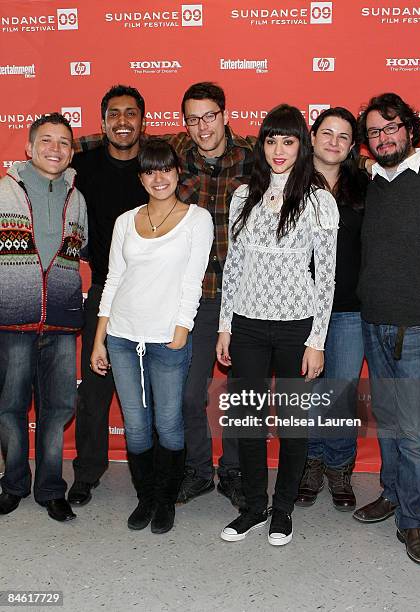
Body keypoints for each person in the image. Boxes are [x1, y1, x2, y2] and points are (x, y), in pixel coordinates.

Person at [74, 82, 255, 509]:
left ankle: (233, 471)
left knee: (241, 388)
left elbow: (291, 158)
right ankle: (195, 470)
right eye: (192, 118)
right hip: (187, 297)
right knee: (189, 396)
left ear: (225, 115)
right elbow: (118, 138)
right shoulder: (173, 149)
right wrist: (62, 146)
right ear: (184, 122)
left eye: (210, 116)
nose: (202, 126)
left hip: (240, 293)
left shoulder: (251, 156)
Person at [216, 104, 339, 545]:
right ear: (262, 145)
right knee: (246, 421)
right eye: (271, 140)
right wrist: (225, 325)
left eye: (288, 141)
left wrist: (317, 339)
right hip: (246, 325)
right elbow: (234, 266)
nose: (279, 150)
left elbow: (325, 275)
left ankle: (282, 510)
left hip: (296, 326)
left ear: (301, 145)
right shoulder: (242, 195)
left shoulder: (318, 199)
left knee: (291, 424)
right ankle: (253, 505)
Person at [353, 93, 420, 565]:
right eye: (374, 131)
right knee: (390, 422)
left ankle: (414, 522)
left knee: (415, 432)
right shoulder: (371, 182)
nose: (383, 137)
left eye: (391, 127)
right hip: (373, 322)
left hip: (419, 328)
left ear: (411, 130)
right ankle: (393, 495)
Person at [90, 139, 213, 533]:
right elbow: (112, 281)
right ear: (141, 177)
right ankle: (146, 497)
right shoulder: (126, 220)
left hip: (167, 338)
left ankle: (166, 500)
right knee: (136, 425)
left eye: (165, 169)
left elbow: (194, 281)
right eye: (149, 170)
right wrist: (99, 339)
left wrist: (180, 330)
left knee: (170, 423)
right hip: (123, 335)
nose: (158, 178)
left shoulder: (197, 219)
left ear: (178, 172)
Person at [0, 113, 88, 522]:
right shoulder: (4, 193)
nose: (56, 149)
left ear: (72, 151)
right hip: (12, 319)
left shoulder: (77, 197)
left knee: (59, 407)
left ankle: (51, 489)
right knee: (10, 406)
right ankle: (13, 484)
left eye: (64, 142)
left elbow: (80, 250)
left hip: (62, 321)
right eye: (47, 140)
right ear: (29, 147)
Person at [68, 85, 149, 506]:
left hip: (154, 296)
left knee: (149, 392)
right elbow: (49, 156)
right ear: (102, 122)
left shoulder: (156, 165)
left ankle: (151, 476)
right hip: (102, 292)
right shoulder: (82, 164)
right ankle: (87, 472)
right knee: (95, 393)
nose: (122, 121)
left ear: (142, 120)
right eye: (114, 114)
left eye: (131, 113)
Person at [296, 108, 368, 511]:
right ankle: (311, 462)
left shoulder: (365, 186)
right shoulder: (293, 182)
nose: (334, 142)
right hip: (301, 309)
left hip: (349, 311)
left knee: (339, 392)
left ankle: (339, 466)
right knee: (308, 392)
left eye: (344, 136)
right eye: (328, 133)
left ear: (352, 145)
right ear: (313, 135)